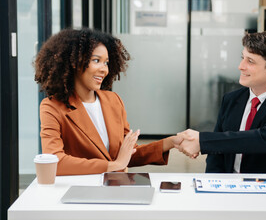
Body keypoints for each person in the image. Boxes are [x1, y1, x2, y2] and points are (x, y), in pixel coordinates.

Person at [34, 28, 180, 175]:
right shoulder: (52, 107)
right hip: (80, 192)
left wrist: (171, 142)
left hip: (116, 188)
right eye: (96, 60)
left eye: (106, 63)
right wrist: (114, 165)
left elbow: (127, 154)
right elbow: (55, 161)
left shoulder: (113, 100)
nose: (104, 69)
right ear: (74, 62)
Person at [177, 30, 266, 174]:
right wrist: (213, 185)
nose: (241, 66)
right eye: (243, 58)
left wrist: (202, 141)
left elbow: (264, 139)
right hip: (230, 185)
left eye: (250, 61)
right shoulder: (231, 99)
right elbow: (216, 156)